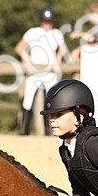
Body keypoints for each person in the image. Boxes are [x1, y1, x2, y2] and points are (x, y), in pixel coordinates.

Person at [14, 7, 68, 135]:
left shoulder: (56, 33)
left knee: (50, 101)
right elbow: (19, 48)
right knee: (28, 100)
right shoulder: (32, 32)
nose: (47, 24)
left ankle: (48, 131)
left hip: (50, 72)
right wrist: (28, 61)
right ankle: (24, 130)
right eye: (45, 21)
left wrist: (57, 60)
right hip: (34, 72)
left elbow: (63, 49)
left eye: (49, 21)